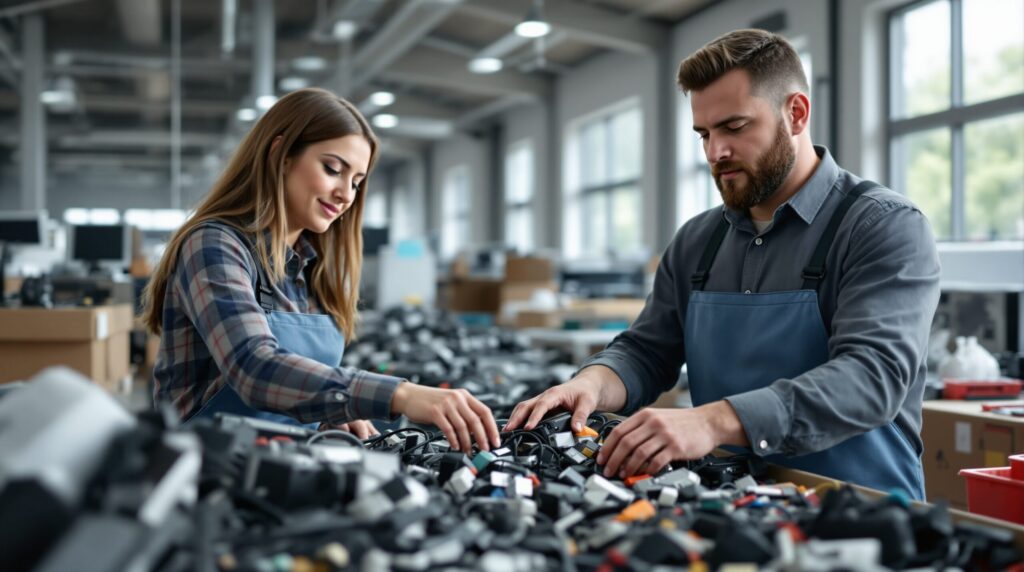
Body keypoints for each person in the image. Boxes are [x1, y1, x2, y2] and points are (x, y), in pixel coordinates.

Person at [505, 29, 940, 499]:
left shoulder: (882, 227)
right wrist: (590, 383)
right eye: (704, 134)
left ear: (795, 114)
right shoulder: (698, 241)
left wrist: (712, 421)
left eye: (734, 127)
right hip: (737, 505)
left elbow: (870, 378)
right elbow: (647, 351)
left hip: (865, 515)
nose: (715, 152)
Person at [142, 88, 500, 452]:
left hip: (280, 465)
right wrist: (401, 394)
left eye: (357, 182)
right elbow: (254, 368)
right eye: (332, 169)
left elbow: (294, 389)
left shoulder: (312, 271)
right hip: (202, 471)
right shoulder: (215, 246)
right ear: (280, 154)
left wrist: (334, 411)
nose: (346, 193)